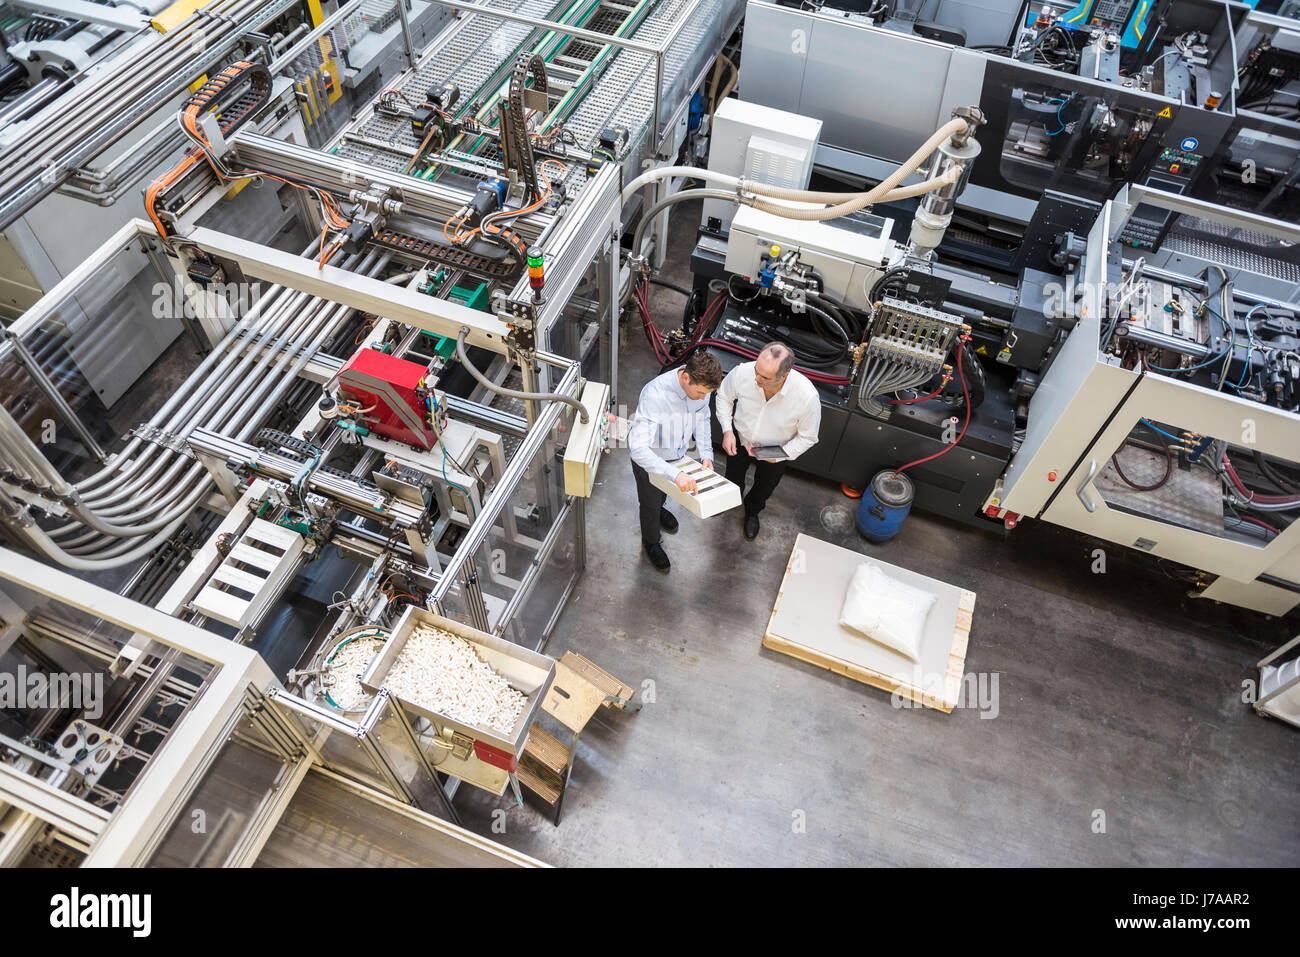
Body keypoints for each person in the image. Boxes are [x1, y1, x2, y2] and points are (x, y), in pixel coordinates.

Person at [628, 352, 725, 571]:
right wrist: (675, 475)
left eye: (707, 394)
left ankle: (661, 508)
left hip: (677, 455)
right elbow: (638, 450)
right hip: (651, 460)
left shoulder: (702, 389)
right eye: (700, 392)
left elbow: (703, 418)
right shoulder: (656, 394)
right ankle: (651, 542)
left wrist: (706, 454)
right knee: (650, 503)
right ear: (685, 378)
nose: (703, 398)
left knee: (663, 494)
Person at [716, 342, 821, 539]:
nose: (756, 379)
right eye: (757, 370)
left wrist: (775, 454)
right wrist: (727, 430)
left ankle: (752, 512)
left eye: (764, 377)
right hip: (740, 439)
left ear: (784, 375)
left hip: (775, 450)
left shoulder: (806, 397)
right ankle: (729, 500)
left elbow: (808, 436)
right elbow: (723, 396)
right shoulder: (743, 373)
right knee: (732, 475)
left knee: (765, 486)